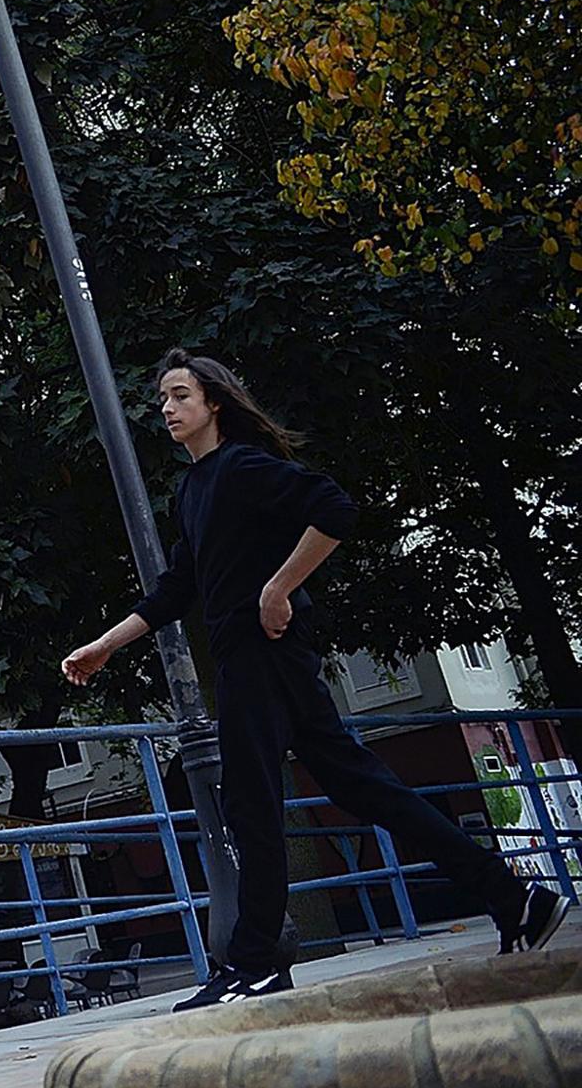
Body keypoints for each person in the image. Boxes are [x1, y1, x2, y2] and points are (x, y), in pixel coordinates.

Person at [62, 351, 569, 1011]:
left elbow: (334, 508)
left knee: (251, 804)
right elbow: (176, 588)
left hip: (264, 654)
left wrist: (279, 586)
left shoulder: (242, 468)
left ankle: (255, 963)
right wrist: (104, 645)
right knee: (362, 787)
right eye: (162, 398)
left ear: (213, 402)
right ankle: (517, 899)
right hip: (259, 658)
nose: (166, 408)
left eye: (179, 395)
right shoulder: (192, 490)